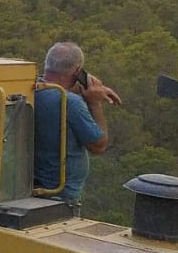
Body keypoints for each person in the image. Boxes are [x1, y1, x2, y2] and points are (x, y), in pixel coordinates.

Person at [33, 42, 120, 205]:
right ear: (77, 71)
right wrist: (94, 102)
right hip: (60, 194)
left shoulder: (32, 88)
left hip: (35, 187)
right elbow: (98, 146)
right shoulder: (70, 102)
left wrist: (84, 87)